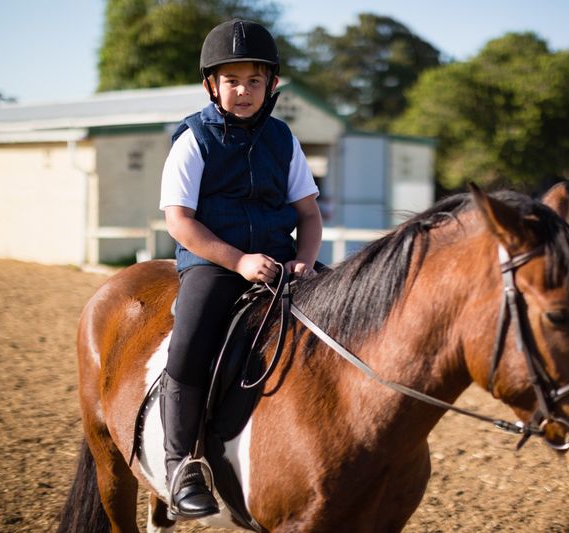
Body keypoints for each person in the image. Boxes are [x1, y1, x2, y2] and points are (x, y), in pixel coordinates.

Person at [158, 18, 322, 518]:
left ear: (271, 85)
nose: (244, 91)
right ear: (213, 84)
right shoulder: (193, 140)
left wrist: (306, 261)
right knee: (188, 347)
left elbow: (309, 214)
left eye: (254, 81)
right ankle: (180, 464)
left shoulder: (282, 138)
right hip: (214, 263)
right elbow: (180, 222)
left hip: (281, 263)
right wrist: (238, 260)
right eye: (232, 81)